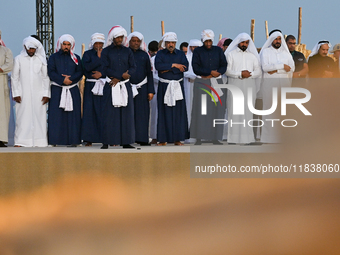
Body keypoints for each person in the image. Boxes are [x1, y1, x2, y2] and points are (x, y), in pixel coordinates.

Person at [100, 26, 136, 149]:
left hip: (124, 85)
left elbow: (133, 67)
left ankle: (126, 141)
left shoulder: (128, 51)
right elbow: (104, 68)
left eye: (121, 37)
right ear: (113, 38)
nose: (120, 39)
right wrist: (120, 76)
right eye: (118, 37)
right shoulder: (106, 51)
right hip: (111, 84)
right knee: (109, 114)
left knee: (126, 115)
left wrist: (121, 78)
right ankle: (107, 141)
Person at [11, 36, 50, 147]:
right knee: (23, 117)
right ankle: (21, 141)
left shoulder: (41, 59)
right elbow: (15, 77)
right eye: (29, 49)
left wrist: (46, 94)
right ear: (25, 47)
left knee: (39, 117)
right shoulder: (19, 59)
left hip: (39, 94)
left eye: (33, 49)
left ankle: (40, 141)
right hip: (23, 94)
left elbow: (45, 77)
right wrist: (16, 93)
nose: (31, 51)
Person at [191, 29, 227, 145]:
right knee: (201, 110)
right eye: (206, 41)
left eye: (210, 41)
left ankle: (215, 138)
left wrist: (217, 73)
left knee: (217, 110)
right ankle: (199, 137)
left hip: (216, 82)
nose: (208, 44)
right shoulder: (197, 52)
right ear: (203, 40)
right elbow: (196, 68)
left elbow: (224, 65)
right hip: (202, 83)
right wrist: (211, 72)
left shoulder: (218, 50)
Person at [224, 33, 261, 144]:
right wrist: (240, 74)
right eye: (242, 42)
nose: (244, 44)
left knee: (248, 112)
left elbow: (258, 71)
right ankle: (233, 139)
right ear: (238, 42)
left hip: (249, 87)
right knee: (234, 112)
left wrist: (250, 74)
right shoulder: (230, 55)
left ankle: (249, 139)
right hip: (235, 86)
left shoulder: (253, 56)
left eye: (246, 43)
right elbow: (227, 71)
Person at [48, 34, 83, 146]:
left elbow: (80, 72)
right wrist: (62, 80)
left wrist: (70, 79)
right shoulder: (53, 57)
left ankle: (74, 141)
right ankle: (55, 141)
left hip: (72, 89)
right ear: (61, 45)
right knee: (56, 116)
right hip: (58, 89)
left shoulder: (76, 58)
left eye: (68, 45)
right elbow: (51, 72)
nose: (66, 47)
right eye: (64, 44)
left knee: (73, 117)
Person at [259, 29, 294, 143]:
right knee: (269, 111)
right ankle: (268, 138)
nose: (278, 41)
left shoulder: (286, 53)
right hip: (269, 85)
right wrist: (282, 66)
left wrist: (275, 69)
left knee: (283, 111)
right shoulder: (266, 52)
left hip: (283, 85)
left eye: (279, 39)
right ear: (271, 40)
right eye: (275, 39)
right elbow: (265, 68)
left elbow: (292, 68)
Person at [155, 32, 189, 145]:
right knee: (164, 112)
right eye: (169, 42)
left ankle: (177, 139)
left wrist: (167, 68)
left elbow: (185, 67)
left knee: (178, 113)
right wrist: (174, 66)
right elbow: (158, 67)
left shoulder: (180, 54)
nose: (171, 44)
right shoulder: (160, 54)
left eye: (173, 43)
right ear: (165, 43)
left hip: (177, 86)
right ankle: (163, 139)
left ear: (175, 43)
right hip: (164, 86)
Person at [126, 31, 155, 145]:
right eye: (133, 41)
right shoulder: (125, 54)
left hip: (142, 88)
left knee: (142, 114)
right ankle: (128, 139)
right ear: (129, 42)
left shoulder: (144, 55)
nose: (136, 43)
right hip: (127, 87)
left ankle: (142, 138)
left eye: (138, 41)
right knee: (128, 114)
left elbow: (149, 73)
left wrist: (151, 90)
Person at [81, 33, 106, 146]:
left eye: (101, 43)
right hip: (91, 86)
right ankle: (89, 138)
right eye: (97, 43)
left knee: (104, 112)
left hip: (103, 85)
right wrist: (98, 59)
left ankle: (105, 137)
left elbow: (111, 68)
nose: (99, 45)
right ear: (93, 43)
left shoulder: (107, 54)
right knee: (89, 112)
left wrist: (101, 73)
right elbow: (86, 68)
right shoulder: (87, 54)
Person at [183, 39, 202, 143]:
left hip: (200, 86)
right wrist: (192, 76)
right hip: (188, 86)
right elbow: (183, 72)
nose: (194, 49)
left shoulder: (202, 58)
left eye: (197, 47)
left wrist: (196, 77)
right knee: (188, 109)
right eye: (193, 47)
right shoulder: (186, 58)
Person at [0, 30, 13, 147]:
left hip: (1, 85)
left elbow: (9, 65)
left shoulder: (6, 51)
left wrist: (1, 69)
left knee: (2, 112)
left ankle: (1, 139)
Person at [149, 39, 163, 144]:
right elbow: (153, 75)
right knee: (155, 113)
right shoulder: (153, 59)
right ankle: (154, 136)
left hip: (169, 88)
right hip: (156, 88)